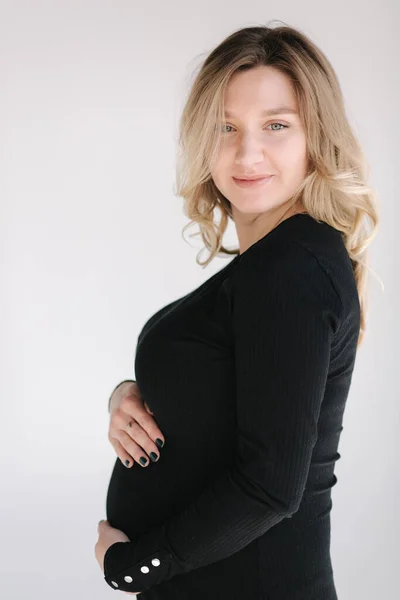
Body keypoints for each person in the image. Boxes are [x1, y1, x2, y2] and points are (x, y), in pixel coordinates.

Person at [95, 21, 379, 599]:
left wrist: (133, 565)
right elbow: (234, 397)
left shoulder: (292, 267)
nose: (247, 152)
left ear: (314, 137)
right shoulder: (276, 263)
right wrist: (136, 394)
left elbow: (270, 489)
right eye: (226, 127)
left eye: (276, 125)